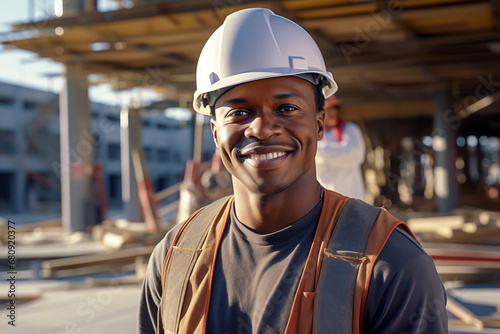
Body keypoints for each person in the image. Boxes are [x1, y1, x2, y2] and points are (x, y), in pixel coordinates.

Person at [138, 8, 448, 334]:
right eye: (240, 111)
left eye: (286, 108)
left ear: (319, 123)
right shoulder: (176, 257)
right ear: (216, 133)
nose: (261, 128)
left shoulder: (392, 265)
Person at [316, 95, 366, 200]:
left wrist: (320, 151)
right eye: (328, 109)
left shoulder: (350, 129)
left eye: (334, 108)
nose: (333, 112)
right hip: (326, 200)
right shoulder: (314, 135)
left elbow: (354, 155)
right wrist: (337, 153)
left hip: (352, 200)